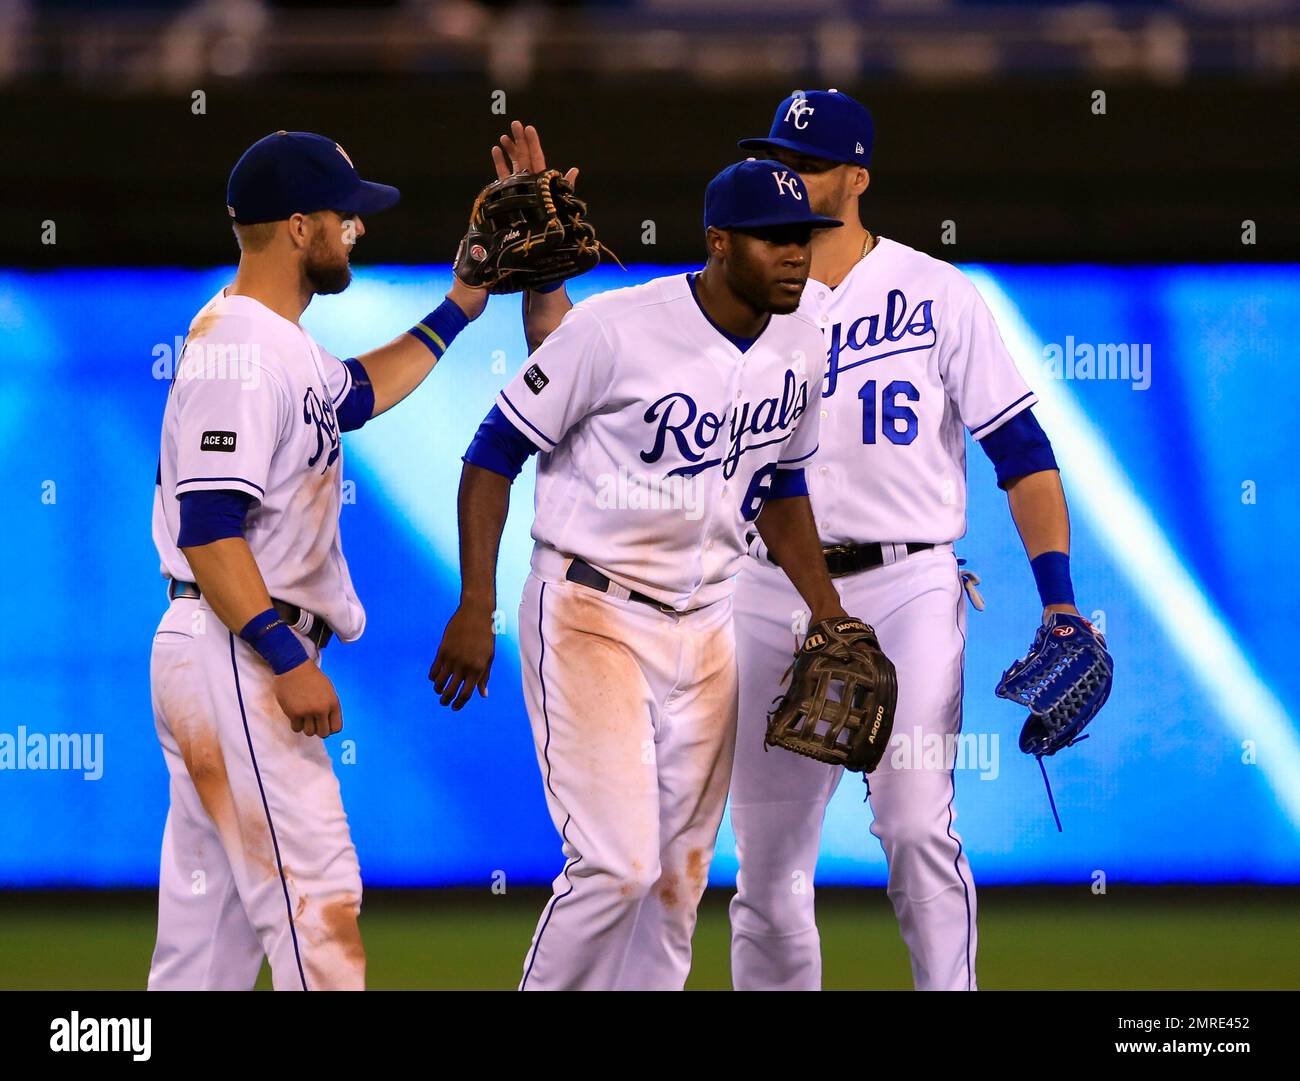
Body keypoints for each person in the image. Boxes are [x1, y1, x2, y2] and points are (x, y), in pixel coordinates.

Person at [430, 154, 858, 991]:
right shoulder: (618, 327)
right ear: (719, 242)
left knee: (675, 883)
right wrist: (476, 604)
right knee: (615, 865)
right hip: (592, 610)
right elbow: (492, 455)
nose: (796, 255)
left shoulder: (805, 343)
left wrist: (829, 608)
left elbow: (781, 484)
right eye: (774, 241)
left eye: (804, 237)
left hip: (709, 625)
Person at [725, 90, 1086, 991]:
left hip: (909, 583)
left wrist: (1061, 599)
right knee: (767, 869)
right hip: (766, 588)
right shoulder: (746, 297)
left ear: (858, 177)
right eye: (779, 159)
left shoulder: (936, 291)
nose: (791, 177)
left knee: (919, 825)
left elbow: (1023, 452)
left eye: (809, 164)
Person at [148, 130, 486, 990]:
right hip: (239, 641)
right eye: (346, 215)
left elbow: (360, 393)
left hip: (218, 642)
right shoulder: (240, 347)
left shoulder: (278, 342)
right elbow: (209, 526)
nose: (358, 230)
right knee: (316, 895)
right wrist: (283, 652)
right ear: (300, 228)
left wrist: (461, 304)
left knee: (209, 943)